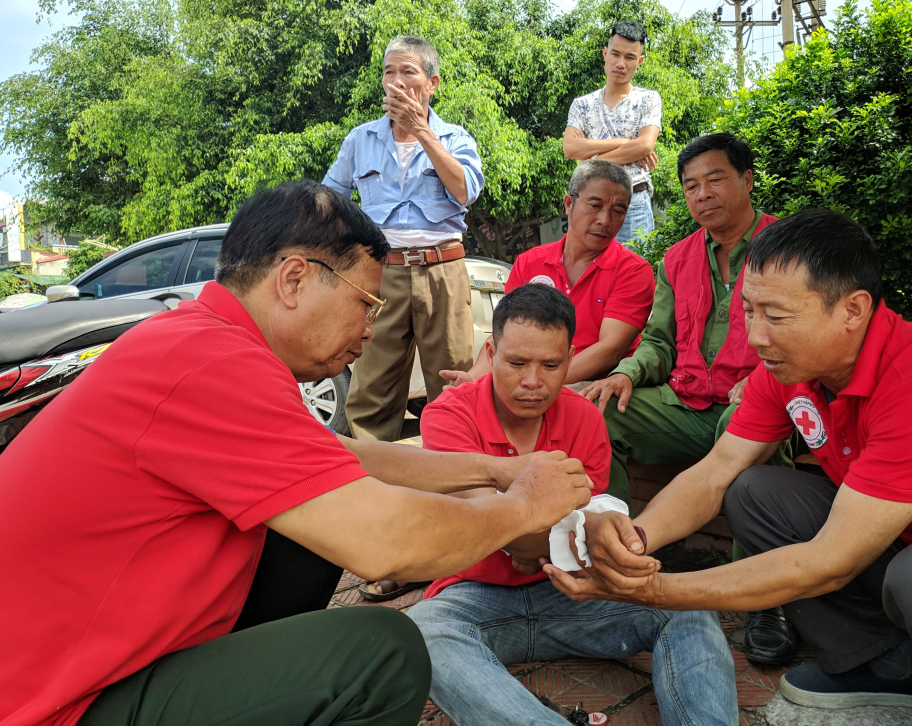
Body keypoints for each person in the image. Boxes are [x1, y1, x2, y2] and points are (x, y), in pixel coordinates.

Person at [0, 180, 594, 726]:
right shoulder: (213, 365)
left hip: (75, 662)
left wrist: (496, 468)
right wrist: (522, 505)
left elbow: (341, 458)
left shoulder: (196, 338)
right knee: (382, 653)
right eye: (367, 303)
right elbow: (388, 544)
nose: (369, 329)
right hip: (56, 703)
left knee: (301, 539)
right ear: (293, 280)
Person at [547, 209, 912, 726]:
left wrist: (652, 590)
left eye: (775, 316)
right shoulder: (790, 371)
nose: (755, 336)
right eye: (748, 311)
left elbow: (832, 559)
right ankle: (888, 666)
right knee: (755, 491)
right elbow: (716, 471)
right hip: (909, 539)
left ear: (853, 310)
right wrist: (634, 542)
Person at [405, 283, 737, 726]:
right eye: (516, 362)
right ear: (491, 351)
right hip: (472, 596)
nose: (531, 382)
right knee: (423, 632)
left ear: (571, 357)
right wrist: (565, 535)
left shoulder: (584, 417)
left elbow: (584, 528)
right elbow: (494, 524)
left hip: (574, 594)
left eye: (551, 365)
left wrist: (570, 539)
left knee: (688, 606)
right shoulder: (449, 415)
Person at [582, 132, 795, 663]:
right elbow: (657, 341)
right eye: (690, 186)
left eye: (715, 179)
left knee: (746, 430)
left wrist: (771, 377)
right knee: (600, 413)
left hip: (763, 406)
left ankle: (764, 598)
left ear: (747, 180)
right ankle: (622, 550)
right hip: (690, 402)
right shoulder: (676, 259)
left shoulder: (789, 247)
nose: (702, 194)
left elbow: (806, 335)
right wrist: (627, 374)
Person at [323, 35, 483, 442]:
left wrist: (421, 131)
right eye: (388, 72)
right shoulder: (360, 139)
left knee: (456, 386)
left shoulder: (456, 139)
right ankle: (372, 487)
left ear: (433, 83)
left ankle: (461, 482)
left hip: (442, 272)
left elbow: (465, 191)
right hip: (380, 277)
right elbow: (328, 202)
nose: (396, 82)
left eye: (407, 72)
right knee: (371, 389)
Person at [442, 160, 655, 390]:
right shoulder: (529, 262)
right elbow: (504, 335)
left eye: (618, 211)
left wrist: (541, 382)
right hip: (532, 383)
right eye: (595, 205)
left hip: (595, 386)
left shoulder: (633, 271)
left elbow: (609, 351)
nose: (605, 220)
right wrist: (473, 378)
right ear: (568, 203)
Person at [563, 20, 661, 246]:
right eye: (615, 54)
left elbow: (645, 146)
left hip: (633, 201)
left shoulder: (648, 99)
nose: (621, 63)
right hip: (590, 202)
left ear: (640, 61)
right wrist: (627, 143)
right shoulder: (582, 105)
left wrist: (590, 161)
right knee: (590, 275)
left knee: (633, 275)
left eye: (630, 57)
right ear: (605, 53)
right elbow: (570, 148)